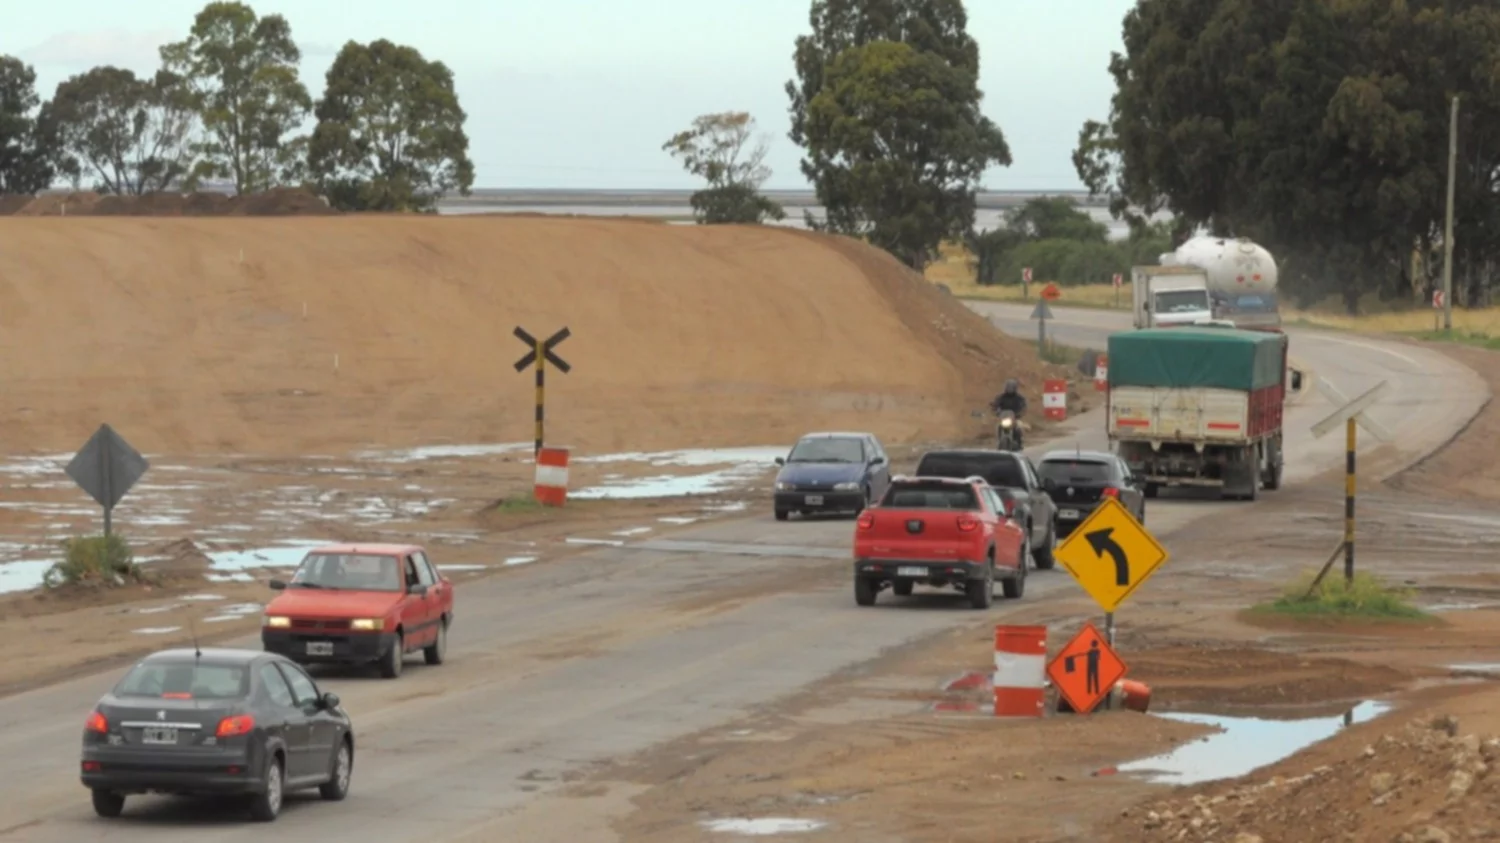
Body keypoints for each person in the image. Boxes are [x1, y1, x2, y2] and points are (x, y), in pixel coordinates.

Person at [990, 379, 1028, 448]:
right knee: (998, 427)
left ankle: (1020, 441)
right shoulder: (1001, 397)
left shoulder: (1019, 398)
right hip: (1004, 417)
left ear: (1015, 388)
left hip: (1015, 417)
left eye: (1011, 387)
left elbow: (1023, 406)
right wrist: (996, 410)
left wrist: (1020, 413)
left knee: (1019, 427)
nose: (1010, 389)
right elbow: (996, 404)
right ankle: (999, 441)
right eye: (1008, 387)